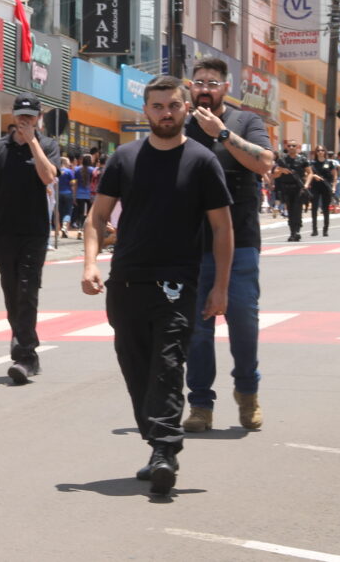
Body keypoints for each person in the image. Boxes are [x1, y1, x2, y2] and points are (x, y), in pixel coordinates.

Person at [81, 75, 233, 496]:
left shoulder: (202, 161)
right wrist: (90, 264)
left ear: (186, 109)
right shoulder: (125, 158)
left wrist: (220, 287)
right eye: (158, 106)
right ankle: (156, 445)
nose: (166, 113)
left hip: (177, 285)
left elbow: (222, 228)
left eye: (173, 106)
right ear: (146, 111)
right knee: (136, 370)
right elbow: (97, 217)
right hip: (127, 282)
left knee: (167, 366)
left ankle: (165, 450)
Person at [182, 58, 274, 434]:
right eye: (199, 82)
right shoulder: (181, 126)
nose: (205, 89)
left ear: (225, 87)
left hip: (241, 243)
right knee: (197, 331)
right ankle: (200, 404)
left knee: (244, 323)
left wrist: (221, 133)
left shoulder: (245, 121)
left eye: (212, 83)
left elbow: (264, 162)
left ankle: (247, 391)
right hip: (192, 245)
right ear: (190, 86)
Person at [0, 92, 59, 385]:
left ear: (38, 119)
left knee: (27, 290)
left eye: (30, 117)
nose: (24, 121)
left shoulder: (48, 146)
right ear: (13, 116)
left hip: (34, 232)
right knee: (11, 293)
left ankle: (25, 355)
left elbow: (48, 177)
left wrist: (33, 142)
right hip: (2, 232)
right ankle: (24, 342)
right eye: (20, 116)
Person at [272, 141, 310, 241]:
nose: (291, 147)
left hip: (299, 188)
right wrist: (281, 171)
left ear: (297, 147)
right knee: (290, 210)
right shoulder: (282, 160)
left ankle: (297, 230)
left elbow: (310, 173)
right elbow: (275, 174)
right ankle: (293, 232)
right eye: (289, 146)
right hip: (286, 188)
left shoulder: (302, 159)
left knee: (297, 209)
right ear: (287, 147)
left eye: (294, 145)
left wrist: (306, 184)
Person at [306, 145, 337, 237]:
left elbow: (335, 175)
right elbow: (307, 173)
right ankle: (314, 230)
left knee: (325, 208)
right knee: (314, 208)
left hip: (326, 187)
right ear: (316, 152)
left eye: (322, 150)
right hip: (315, 187)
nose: (320, 152)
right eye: (318, 150)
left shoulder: (329, 163)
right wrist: (314, 176)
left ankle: (325, 230)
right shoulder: (312, 163)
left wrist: (334, 187)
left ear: (325, 152)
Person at [71, 154, 95, 238]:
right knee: (90, 214)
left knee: (80, 213)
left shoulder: (77, 169)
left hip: (79, 194)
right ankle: (88, 231)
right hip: (90, 194)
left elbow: (75, 183)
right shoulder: (93, 170)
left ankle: (80, 229)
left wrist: (74, 196)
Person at [57, 156, 75, 239]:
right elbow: (73, 183)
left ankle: (59, 228)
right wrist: (74, 195)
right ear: (65, 162)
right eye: (68, 162)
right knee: (68, 211)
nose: (69, 163)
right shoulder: (69, 171)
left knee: (60, 211)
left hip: (59, 193)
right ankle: (65, 226)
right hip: (68, 193)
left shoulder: (57, 170)